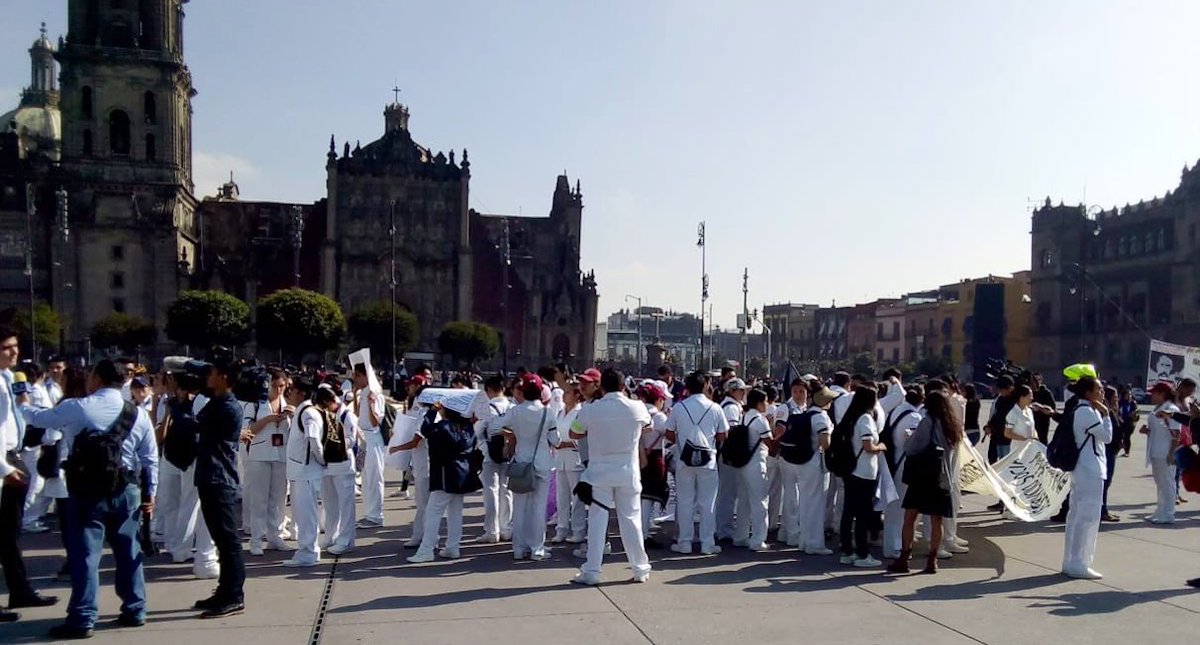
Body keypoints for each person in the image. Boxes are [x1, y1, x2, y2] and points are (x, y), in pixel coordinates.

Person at [21, 359, 154, 639]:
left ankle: (83, 617)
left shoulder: (76, 407)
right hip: (126, 488)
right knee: (129, 552)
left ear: (97, 379)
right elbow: (149, 458)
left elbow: (37, 418)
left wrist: (22, 400)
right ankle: (135, 609)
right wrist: (149, 493)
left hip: (86, 489)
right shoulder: (138, 414)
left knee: (85, 555)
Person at [568, 369, 653, 585]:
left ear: (601, 387)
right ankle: (640, 569)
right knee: (631, 520)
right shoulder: (637, 407)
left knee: (597, 521)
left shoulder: (591, 410)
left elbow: (574, 432)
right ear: (624, 386)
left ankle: (592, 571)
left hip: (599, 473)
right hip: (628, 471)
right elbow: (648, 426)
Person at [1, 326, 58, 624]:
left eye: (15, 346)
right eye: (6, 347)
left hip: (14, 456)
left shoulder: (9, 379)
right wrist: (5, 468)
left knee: (10, 535)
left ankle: (20, 589)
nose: (14, 352)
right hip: (4, 464)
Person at [190, 351, 249, 618]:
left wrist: (180, 404)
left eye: (213, 373)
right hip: (210, 475)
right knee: (220, 538)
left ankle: (234, 594)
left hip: (219, 477)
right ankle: (224, 590)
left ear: (223, 377)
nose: (208, 377)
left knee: (228, 540)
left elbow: (193, 426)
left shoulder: (227, 406)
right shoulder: (218, 401)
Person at [886, 391, 963, 575]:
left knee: (910, 518)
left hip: (923, 478)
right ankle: (932, 560)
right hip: (942, 478)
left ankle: (904, 558)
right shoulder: (952, 426)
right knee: (937, 520)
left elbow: (913, 448)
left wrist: (908, 438)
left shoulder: (927, 421)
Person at [156, 366, 219, 579]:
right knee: (190, 506)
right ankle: (180, 548)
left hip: (184, 458)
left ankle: (178, 546)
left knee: (187, 505)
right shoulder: (195, 403)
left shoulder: (182, 404)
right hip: (191, 459)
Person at [402, 398, 480, 563]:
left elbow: (425, 428)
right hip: (463, 474)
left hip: (445, 474)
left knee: (433, 512)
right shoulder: (468, 428)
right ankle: (453, 547)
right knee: (455, 512)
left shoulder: (443, 428)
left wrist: (432, 411)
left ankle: (426, 550)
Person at [666, 371, 729, 554]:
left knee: (685, 501)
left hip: (684, 460)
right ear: (705, 386)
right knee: (707, 502)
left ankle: (684, 542)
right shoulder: (715, 407)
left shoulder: (679, 407)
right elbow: (723, 434)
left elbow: (669, 434)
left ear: (687, 387)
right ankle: (707, 543)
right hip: (708, 460)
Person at [497, 373, 555, 560]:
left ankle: (518, 548)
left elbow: (496, 426)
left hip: (521, 463)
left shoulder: (515, 411)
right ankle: (537, 548)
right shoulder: (548, 412)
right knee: (539, 508)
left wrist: (512, 436)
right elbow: (556, 439)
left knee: (520, 507)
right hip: (542, 463)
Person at [1061, 376, 1112, 580]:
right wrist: (1107, 415)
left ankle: (1071, 560)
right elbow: (1107, 437)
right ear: (1088, 393)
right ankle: (1079, 562)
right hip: (1089, 469)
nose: (1102, 393)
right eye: (1099, 389)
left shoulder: (1081, 410)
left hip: (1085, 468)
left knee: (1076, 516)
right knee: (1087, 517)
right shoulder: (1087, 412)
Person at [241, 367, 294, 555]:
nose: (279, 390)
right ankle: (256, 540)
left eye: (282, 386)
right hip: (259, 455)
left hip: (280, 455)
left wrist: (292, 415)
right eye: (275, 386)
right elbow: (247, 431)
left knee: (278, 500)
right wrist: (269, 419)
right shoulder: (255, 405)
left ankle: (275, 536)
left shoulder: (287, 403)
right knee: (259, 500)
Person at [836, 386, 886, 568]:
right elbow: (868, 446)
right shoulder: (865, 419)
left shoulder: (851, 417)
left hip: (851, 471)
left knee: (849, 512)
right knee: (863, 514)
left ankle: (847, 551)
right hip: (864, 471)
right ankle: (862, 554)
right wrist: (880, 446)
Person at [283, 376, 324, 567]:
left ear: (301, 393)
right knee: (303, 513)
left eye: (292, 389)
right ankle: (309, 550)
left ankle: (308, 552)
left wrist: (322, 460)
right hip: (301, 471)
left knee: (306, 515)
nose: (288, 393)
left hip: (305, 472)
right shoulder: (304, 411)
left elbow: (313, 441)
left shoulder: (307, 413)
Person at [881, 388, 923, 560]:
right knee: (900, 510)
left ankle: (890, 544)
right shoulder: (914, 417)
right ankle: (896, 546)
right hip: (904, 465)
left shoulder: (897, 410)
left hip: (892, 462)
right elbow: (913, 441)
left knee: (892, 508)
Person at [474, 375, 513, 543]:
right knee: (507, 491)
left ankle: (492, 531)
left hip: (489, 452)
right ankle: (507, 529)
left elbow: (478, 431)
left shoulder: (487, 408)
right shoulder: (513, 406)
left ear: (489, 390)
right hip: (509, 451)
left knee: (491, 491)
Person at [733, 388, 773, 551]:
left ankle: (741, 536)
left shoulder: (745, 417)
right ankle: (758, 539)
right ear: (758, 402)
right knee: (760, 501)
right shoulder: (760, 420)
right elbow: (770, 442)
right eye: (765, 401)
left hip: (742, 462)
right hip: (756, 462)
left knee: (743, 501)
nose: (766, 405)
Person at [321, 388, 358, 555]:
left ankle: (346, 540)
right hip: (327, 466)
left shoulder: (347, 415)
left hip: (343, 465)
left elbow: (352, 440)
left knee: (345, 505)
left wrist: (332, 444)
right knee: (330, 504)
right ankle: (330, 536)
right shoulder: (322, 414)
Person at [551, 381, 586, 544]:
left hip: (575, 458)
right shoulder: (560, 413)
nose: (564, 396)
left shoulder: (580, 412)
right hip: (560, 459)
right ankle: (562, 528)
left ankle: (578, 530)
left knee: (577, 497)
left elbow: (583, 437)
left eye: (568, 393)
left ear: (577, 395)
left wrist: (566, 443)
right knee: (562, 497)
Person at [353, 364, 387, 529]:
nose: (355, 379)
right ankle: (369, 513)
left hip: (374, 437)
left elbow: (376, 421)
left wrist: (372, 405)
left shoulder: (375, 393)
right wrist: (355, 396)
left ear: (365, 376)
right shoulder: (364, 392)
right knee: (366, 478)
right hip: (364, 437)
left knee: (375, 477)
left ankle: (376, 515)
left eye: (357, 376)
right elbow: (358, 415)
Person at [715, 378, 749, 542]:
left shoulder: (730, 406)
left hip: (728, 454)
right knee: (728, 494)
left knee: (727, 493)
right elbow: (732, 434)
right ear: (733, 391)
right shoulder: (731, 409)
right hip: (729, 455)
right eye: (741, 390)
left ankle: (723, 527)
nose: (744, 393)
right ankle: (724, 530)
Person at [636, 382, 670, 548]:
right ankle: (643, 535)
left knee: (639, 499)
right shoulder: (659, 417)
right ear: (658, 400)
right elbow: (670, 436)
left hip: (636, 457)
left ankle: (640, 533)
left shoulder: (637, 413)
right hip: (654, 458)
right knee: (648, 500)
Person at [1143, 382, 1181, 525]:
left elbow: (1176, 434)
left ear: (1163, 394)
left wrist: (1172, 453)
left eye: (1154, 393)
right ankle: (1160, 511)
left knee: (1168, 483)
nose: (1151, 395)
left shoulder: (1172, 409)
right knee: (1160, 483)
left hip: (1166, 452)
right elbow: (1159, 430)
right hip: (1155, 450)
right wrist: (1147, 431)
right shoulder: (1157, 408)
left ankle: (1169, 513)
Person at [1100, 386, 1122, 523]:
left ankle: (1103, 509)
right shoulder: (1105, 413)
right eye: (1114, 397)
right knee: (1105, 482)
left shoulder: (1112, 412)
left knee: (1106, 482)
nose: (1117, 399)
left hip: (1112, 450)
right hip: (1107, 451)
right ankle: (1102, 510)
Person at [1004, 385, 1036, 449]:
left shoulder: (1029, 411)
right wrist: (1025, 439)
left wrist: (1035, 438)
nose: (1032, 398)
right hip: (1018, 450)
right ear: (1022, 398)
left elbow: (1032, 428)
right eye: (1029, 396)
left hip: (1030, 448)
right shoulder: (1013, 413)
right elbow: (1007, 433)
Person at [1031, 373, 1056, 444]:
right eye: (1034, 380)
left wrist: (1040, 407)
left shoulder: (1046, 392)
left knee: (1042, 441)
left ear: (1041, 380)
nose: (1036, 382)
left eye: (1038, 380)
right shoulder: (1029, 392)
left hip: (1043, 421)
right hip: (1031, 420)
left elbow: (1052, 408)